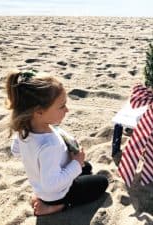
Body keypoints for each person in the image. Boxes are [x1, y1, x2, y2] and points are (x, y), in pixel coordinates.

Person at [6, 70, 109, 216]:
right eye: (62, 106)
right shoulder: (50, 145)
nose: (67, 110)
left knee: (88, 168)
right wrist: (76, 163)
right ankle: (55, 207)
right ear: (39, 111)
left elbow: (16, 151)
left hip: (40, 185)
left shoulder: (25, 129)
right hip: (56, 194)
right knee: (101, 182)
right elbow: (52, 184)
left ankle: (41, 198)